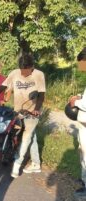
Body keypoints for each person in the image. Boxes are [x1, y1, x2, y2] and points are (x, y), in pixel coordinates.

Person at [0, 54, 46, 178]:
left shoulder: (39, 75)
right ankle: (36, 164)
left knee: (27, 137)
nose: (23, 73)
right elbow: (3, 86)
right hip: (18, 111)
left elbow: (41, 94)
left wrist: (37, 109)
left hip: (32, 112)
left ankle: (17, 163)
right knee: (28, 137)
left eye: (26, 71)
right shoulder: (14, 73)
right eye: (22, 70)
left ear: (32, 67)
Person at [69, 47, 86, 198]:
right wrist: (80, 96)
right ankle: (84, 180)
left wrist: (76, 102)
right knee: (82, 153)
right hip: (83, 126)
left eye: (82, 63)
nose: (81, 67)